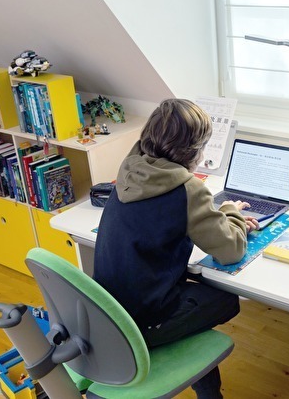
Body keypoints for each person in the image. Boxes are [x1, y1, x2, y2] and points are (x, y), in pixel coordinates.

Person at [93, 98, 259, 398]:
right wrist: (230, 211)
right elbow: (231, 250)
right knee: (226, 300)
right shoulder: (187, 189)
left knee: (197, 294)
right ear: (194, 151)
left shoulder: (130, 168)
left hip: (109, 314)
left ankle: (210, 394)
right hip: (144, 323)